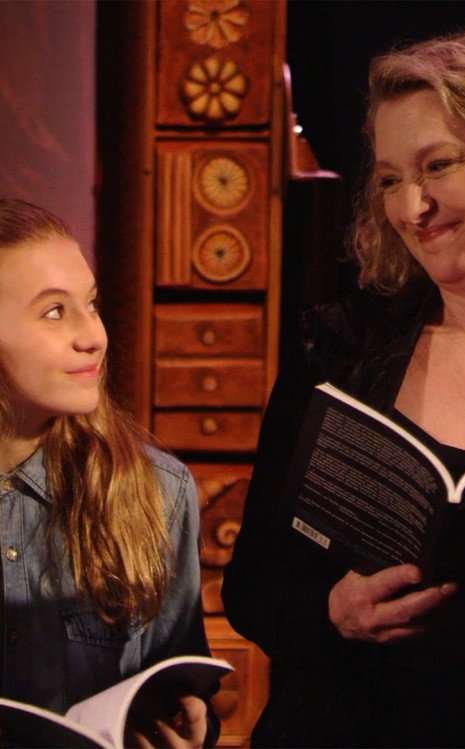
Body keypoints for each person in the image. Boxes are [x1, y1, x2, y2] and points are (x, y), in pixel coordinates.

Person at [222, 29, 465, 748]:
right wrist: (332, 612)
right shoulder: (339, 348)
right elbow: (252, 585)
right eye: (388, 180)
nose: (412, 208)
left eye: (438, 166)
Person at [0, 198, 218, 748]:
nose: (93, 335)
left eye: (91, 304)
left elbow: (177, 683)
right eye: (55, 312)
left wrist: (184, 721)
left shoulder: (156, 492)